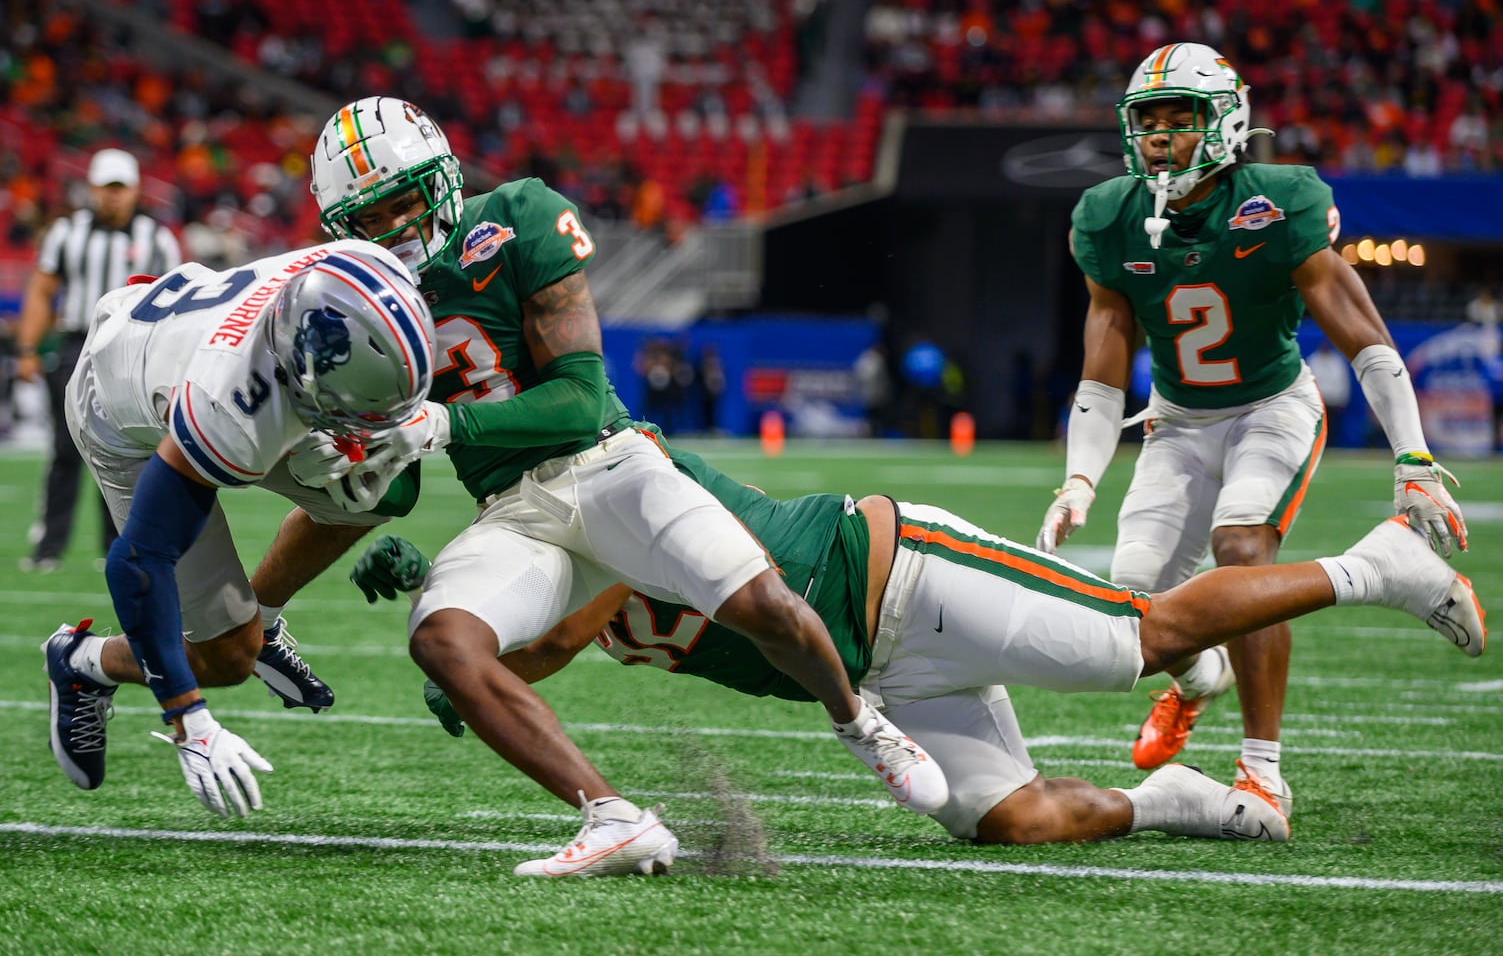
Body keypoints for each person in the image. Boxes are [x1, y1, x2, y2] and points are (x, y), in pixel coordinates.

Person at [298, 95, 947, 874]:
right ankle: (612, 818)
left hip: (608, 462)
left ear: (441, 181)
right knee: (442, 641)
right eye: (371, 218)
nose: (396, 229)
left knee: (761, 605)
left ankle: (859, 723)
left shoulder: (516, 216)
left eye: (405, 202)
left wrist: (440, 425)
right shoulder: (348, 303)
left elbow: (574, 396)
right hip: (512, 509)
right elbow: (388, 469)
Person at [350, 444, 1484, 848]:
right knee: (1007, 820)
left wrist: (463, 639)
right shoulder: (553, 541)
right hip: (888, 671)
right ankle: (1192, 801)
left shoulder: (618, 482)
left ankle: (1377, 563)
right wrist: (463, 641)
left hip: (907, 576)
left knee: (1137, 638)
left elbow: (559, 636)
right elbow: (536, 642)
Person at [1034, 43, 1468, 817]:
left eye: (1180, 118)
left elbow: (1365, 339)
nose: (1161, 136)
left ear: (1225, 122)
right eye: (1148, 120)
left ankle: (1262, 770)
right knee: (1132, 607)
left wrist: (1414, 456)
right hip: (1175, 420)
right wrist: (1078, 480)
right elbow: (1101, 370)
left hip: (1271, 406)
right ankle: (1200, 682)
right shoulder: (1108, 215)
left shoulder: (1279, 199)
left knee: (1241, 549)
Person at [42, 240, 436, 817]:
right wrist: (188, 717)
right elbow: (139, 560)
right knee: (228, 657)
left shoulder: (360, 269)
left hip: (198, 340)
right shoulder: (228, 407)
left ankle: (266, 619)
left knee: (377, 488)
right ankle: (81, 661)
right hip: (122, 408)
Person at [15, 148, 182, 573]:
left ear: (134, 190)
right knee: (65, 449)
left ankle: (119, 545)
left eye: (120, 188)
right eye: (105, 188)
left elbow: (180, 300)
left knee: (127, 449)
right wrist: (28, 348)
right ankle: (49, 546)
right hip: (76, 346)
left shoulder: (156, 238)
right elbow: (41, 289)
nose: (112, 197)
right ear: (91, 189)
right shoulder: (66, 234)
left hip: (132, 350)